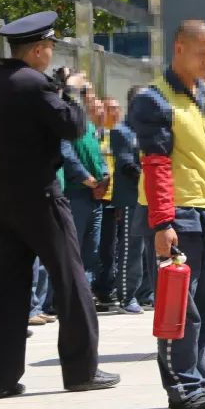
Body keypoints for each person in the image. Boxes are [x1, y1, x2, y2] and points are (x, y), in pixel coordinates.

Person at [0, 10, 119, 398]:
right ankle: (81, 370)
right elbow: (73, 126)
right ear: (37, 50)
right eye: (49, 48)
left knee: (6, 289)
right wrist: (70, 91)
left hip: (1, 200)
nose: (51, 55)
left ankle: (0, 379)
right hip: (40, 197)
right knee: (71, 280)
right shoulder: (35, 85)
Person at [129, 20, 205, 409]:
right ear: (179, 48)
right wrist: (162, 222)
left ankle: (198, 377)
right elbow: (156, 164)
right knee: (182, 308)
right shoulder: (154, 99)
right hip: (180, 215)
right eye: (202, 52)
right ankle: (182, 386)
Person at [60, 87, 109, 290]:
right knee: (73, 248)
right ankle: (65, 296)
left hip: (95, 196)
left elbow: (100, 156)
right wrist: (86, 179)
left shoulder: (90, 128)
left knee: (92, 250)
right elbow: (67, 155)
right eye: (87, 94)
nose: (94, 101)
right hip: (76, 193)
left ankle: (85, 293)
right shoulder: (69, 126)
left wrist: (104, 178)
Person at [111, 86, 147, 313]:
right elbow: (126, 165)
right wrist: (151, 178)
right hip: (131, 198)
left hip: (148, 198)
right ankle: (127, 296)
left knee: (148, 250)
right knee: (130, 249)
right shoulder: (122, 131)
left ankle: (146, 292)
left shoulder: (148, 130)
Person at [93, 97, 121, 310]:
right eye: (110, 108)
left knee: (111, 249)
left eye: (115, 108)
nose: (114, 112)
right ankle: (98, 289)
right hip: (95, 198)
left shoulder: (118, 137)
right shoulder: (95, 136)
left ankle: (107, 289)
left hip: (113, 200)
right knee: (97, 248)